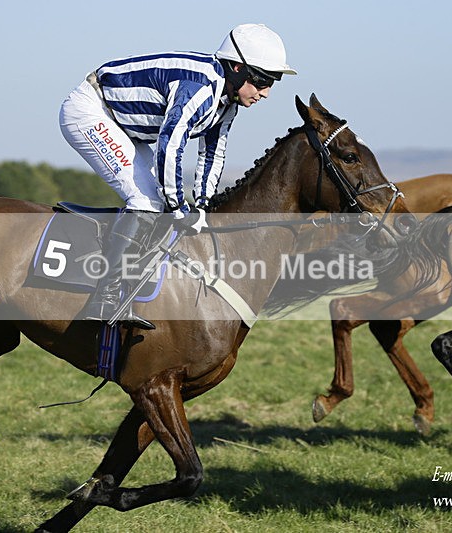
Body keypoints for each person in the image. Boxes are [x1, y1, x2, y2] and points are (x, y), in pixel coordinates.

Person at [59, 23, 296, 329]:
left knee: (155, 201)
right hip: (93, 110)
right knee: (145, 199)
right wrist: (179, 206)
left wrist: (201, 205)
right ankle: (105, 298)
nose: (265, 93)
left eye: (272, 83)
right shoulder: (200, 89)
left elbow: (212, 155)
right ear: (237, 68)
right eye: (262, 81)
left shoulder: (226, 105)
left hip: (125, 125)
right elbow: (171, 146)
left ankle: (128, 288)